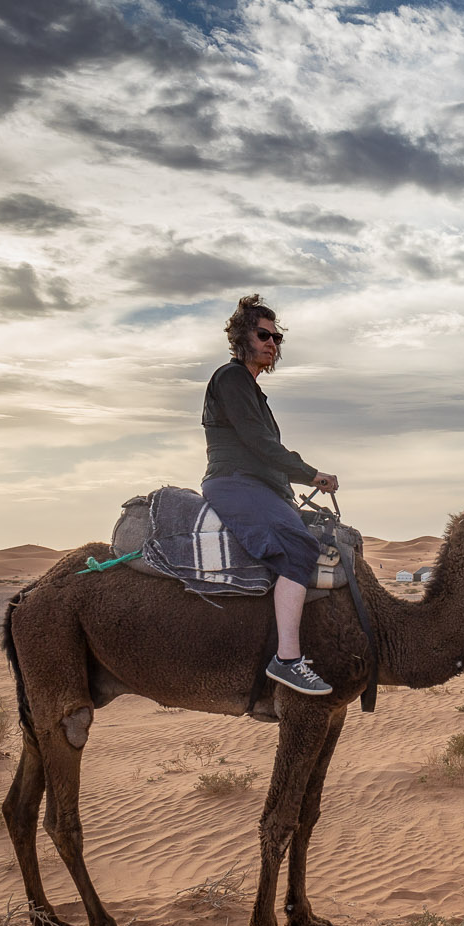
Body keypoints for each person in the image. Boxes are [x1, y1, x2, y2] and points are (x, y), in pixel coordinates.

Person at [200, 294, 338, 696]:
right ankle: (288, 659)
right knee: (297, 547)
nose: (271, 343)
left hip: (255, 484)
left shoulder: (251, 389)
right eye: (263, 335)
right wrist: (311, 474)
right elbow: (260, 445)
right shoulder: (231, 378)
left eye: (276, 338)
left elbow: (265, 450)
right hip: (234, 481)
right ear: (242, 336)